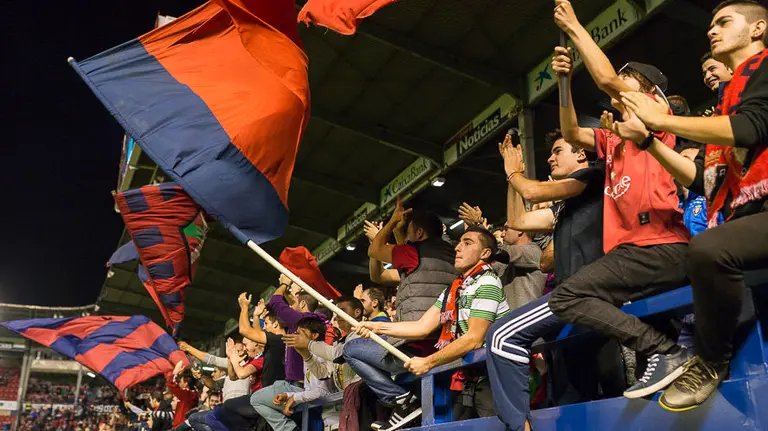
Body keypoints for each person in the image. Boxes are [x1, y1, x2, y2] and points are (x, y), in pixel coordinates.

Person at [616, 0, 768, 411]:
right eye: (711, 24)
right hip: (750, 216)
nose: (711, 31)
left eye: (724, 22)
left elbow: (752, 129)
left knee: (708, 247)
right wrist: (648, 140)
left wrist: (662, 121)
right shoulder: (725, 101)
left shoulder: (766, 69)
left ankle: (710, 360)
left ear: (757, 29)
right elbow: (701, 177)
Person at [349, 227, 510, 431]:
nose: (458, 248)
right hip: (467, 375)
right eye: (459, 242)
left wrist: (428, 362)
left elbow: (474, 339)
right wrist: (376, 326)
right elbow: (422, 326)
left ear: (485, 254)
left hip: (493, 374)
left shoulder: (487, 282)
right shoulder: (454, 288)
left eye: (468, 243)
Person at [249, 317, 334, 431]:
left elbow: (323, 392)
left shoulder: (322, 353)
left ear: (314, 335)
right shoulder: (308, 353)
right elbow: (309, 389)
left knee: (256, 399)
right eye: (296, 333)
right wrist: (288, 395)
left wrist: (294, 397)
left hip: (331, 415)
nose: (296, 336)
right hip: (311, 402)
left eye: (300, 333)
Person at [458, 203, 546, 309]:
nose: (503, 234)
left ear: (520, 230)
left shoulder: (533, 251)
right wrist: (473, 233)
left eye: (506, 229)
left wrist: (478, 226)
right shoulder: (504, 263)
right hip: (505, 321)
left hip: (524, 320)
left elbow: (499, 251)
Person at [268, 279, 328, 386]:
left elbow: (274, 301)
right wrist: (286, 292)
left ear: (303, 303)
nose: (290, 306)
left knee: (256, 399)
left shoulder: (298, 320)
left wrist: (284, 283)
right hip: (306, 379)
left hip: (299, 381)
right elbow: (294, 303)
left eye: (294, 299)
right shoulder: (312, 320)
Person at [177, 341, 250, 401]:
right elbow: (214, 386)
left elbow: (212, 359)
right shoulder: (229, 370)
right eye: (232, 350)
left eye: (235, 350)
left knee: (194, 417)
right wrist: (201, 376)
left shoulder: (246, 365)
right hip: (227, 410)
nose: (232, 352)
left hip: (238, 408)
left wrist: (188, 348)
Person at [166, 362, 200, 429]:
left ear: (185, 384)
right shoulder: (190, 395)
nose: (178, 384)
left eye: (180, 382)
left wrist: (175, 373)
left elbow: (171, 385)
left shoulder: (189, 395)